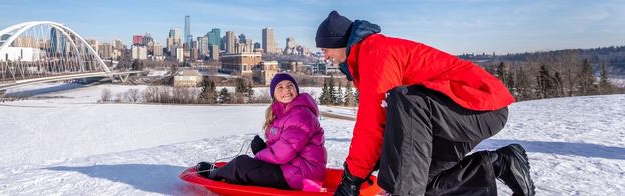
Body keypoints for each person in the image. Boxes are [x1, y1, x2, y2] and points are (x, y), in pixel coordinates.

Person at [315, 11, 535, 196]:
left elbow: (372, 123)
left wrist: (353, 177)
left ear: (337, 41)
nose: (325, 57)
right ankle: (502, 162)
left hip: (480, 105)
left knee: (405, 101)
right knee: (423, 180)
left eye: (325, 50)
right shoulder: (366, 59)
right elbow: (387, 126)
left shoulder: (375, 52)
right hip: (454, 114)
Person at [195, 73, 327, 191]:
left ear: (296, 90)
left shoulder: (301, 115)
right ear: (274, 94)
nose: (286, 89)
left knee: (241, 165)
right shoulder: (284, 114)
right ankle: (227, 175)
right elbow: (284, 148)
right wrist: (264, 148)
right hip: (295, 171)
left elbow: (283, 153)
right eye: (280, 87)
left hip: (302, 177)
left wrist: (259, 154)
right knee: (247, 165)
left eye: (290, 85)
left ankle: (215, 175)